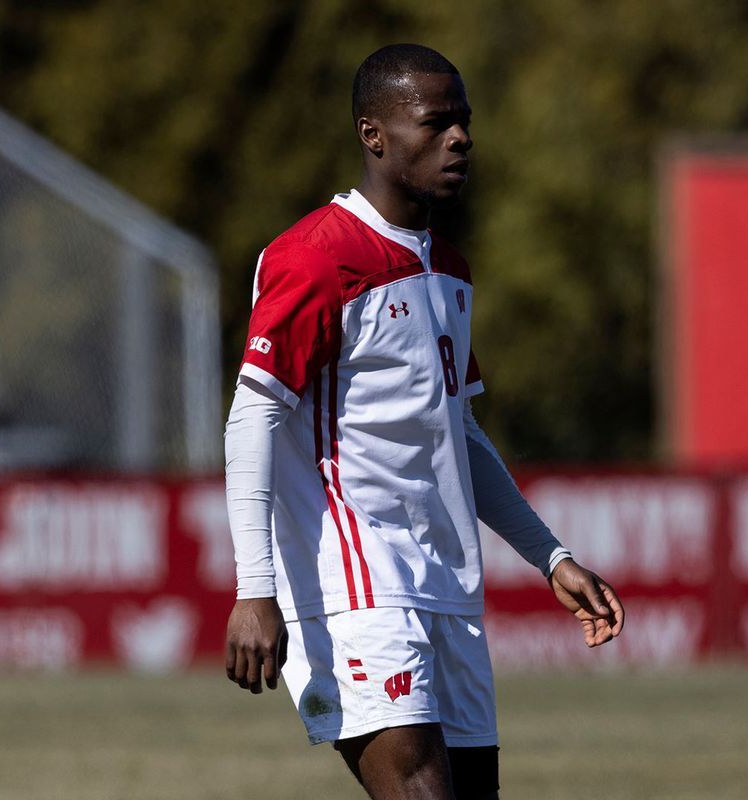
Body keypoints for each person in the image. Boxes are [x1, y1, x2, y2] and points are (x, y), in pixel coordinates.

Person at [222, 43, 625, 800]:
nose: (460, 138)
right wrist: (254, 589)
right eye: (436, 122)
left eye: (464, 122)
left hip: (446, 584)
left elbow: (459, 437)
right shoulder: (316, 258)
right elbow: (252, 419)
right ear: (374, 134)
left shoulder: (450, 268)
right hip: (355, 588)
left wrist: (550, 556)